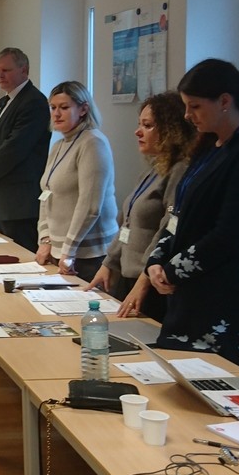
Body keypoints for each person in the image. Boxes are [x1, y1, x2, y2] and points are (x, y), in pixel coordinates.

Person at [145, 59, 239, 368]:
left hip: (223, 296)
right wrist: (155, 261)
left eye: (194, 107)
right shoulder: (208, 146)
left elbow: (230, 234)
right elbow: (178, 216)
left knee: (216, 386)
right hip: (188, 295)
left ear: (224, 101)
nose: (187, 115)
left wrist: (172, 270)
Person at [88, 91, 193, 318]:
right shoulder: (153, 169)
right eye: (140, 124)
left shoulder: (179, 171)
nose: (138, 132)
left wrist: (144, 277)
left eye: (147, 126)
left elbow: (167, 228)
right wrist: (109, 263)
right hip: (129, 275)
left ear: (170, 130)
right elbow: (126, 224)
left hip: (150, 282)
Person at [34, 81, 118, 282]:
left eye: (64, 107)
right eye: (53, 107)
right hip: (60, 250)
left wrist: (69, 250)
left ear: (83, 109)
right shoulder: (59, 145)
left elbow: (90, 206)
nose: (56, 114)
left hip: (89, 254)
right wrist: (45, 239)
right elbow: (46, 194)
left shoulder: (93, 142)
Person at [0, 47, 51, 250]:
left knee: (22, 257)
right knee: (4, 256)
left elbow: (14, 147)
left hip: (20, 202)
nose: (0, 76)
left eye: (5, 70)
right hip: (0, 199)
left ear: (24, 70)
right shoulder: (3, 103)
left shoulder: (34, 101)